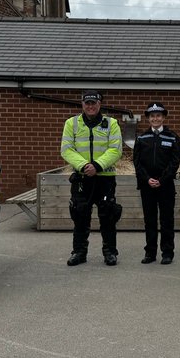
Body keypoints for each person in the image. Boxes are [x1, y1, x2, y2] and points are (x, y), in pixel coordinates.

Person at [60, 90, 124, 267]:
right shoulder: (71, 123)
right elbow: (66, 149)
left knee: (108, 216)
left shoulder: (111, 124)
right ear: (82, 104)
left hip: (105, 178)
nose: (90, 106)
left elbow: (116, 149)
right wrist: (83, 166)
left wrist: (97, 166)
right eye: (87, 103)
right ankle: (79, 252)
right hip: (82, 178)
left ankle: (110, 252)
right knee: (80, 215)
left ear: (99, 104)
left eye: (93, 103)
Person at [133, 102, 180, 265]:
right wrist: (147, 179)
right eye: (152, 116)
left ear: (164, 117)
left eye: (158, 115)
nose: (155, 118)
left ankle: (167, 252)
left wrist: (162, 179)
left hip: (165, 185)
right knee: (150, 220)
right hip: (147, 186)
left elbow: (174, 163)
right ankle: (150, 253)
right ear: (148, 118)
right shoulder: (141, 138)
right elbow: (137, 163)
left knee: (167, 220)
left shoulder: (172, 137)